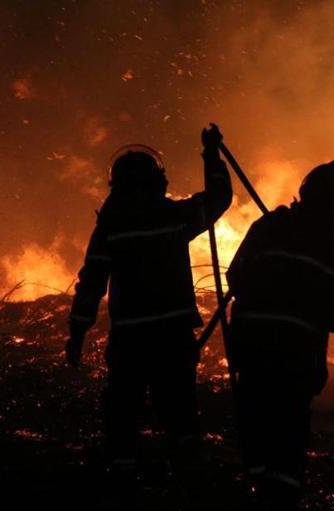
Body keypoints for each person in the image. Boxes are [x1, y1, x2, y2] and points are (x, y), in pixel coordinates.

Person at [64, 124, 232, 466]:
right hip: (173, 334)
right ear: (159, 180)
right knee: (180, 407)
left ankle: (123, 481)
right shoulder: (173, 218)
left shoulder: (110, 227)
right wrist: (211, 154)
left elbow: (92, 282)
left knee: (123, 410)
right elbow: (218, 199)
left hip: (130, 336)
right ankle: (187, 478)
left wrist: (78, 332)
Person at [226, 161, 334, 505]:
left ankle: (255, 491)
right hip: (299, 356)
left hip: (250, 345)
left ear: (305, 192)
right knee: (288, 430)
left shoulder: (269, 225)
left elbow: (236, 278)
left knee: (252, 419)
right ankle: (281, 505)